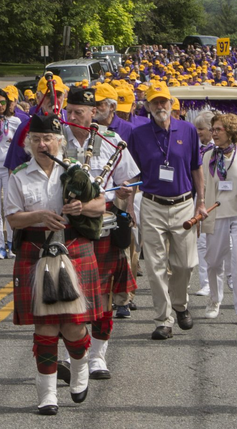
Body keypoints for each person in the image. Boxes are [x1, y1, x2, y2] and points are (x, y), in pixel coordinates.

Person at [5, 113, 105, 414]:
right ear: (28, 143)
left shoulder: (76, 171)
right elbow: (12, 217)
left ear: (59, 142)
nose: (41, 144)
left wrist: (82, 207)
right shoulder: (19, 175)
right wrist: (38, 216)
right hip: (35, 251)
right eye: (35, 139)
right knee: (46, 327)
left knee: (73, 327)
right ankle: (47, 395)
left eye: (47, 138)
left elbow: (100, 204)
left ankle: (80, 369)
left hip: (74, 247)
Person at [59, 86, 139, 379]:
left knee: (103, 296)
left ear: (94, 112)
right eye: (69, 111)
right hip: (66, 227)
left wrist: (127, 193)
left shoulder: (112, 141)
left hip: (102, 227)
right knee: (67, 293)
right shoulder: (57, 140)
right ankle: (71, 354)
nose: (72, 116)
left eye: (78, 111)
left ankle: (98, 357)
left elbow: (127, 180)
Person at [126, 81, 204, 340]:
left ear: (172, 104)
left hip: (183, 205)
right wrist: (129, 204)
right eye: (155, 102)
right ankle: (164, 320)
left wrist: (201, 201)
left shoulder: (188, 130)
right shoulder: (138, 135)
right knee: (156, 266)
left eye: (164, 101)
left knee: (185, 264)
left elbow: (196, 168)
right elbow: (132, 173)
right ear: (147, 106)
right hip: (151, 204)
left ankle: (180, 303)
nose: (160, 106)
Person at [198, 112, 237, 324]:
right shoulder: (208, 156)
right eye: (212, 129)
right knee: (213, 262)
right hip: (216, 213)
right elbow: (203, 186)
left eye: (218, 130)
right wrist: (201, 205)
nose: (213, 133)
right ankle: (214, 300)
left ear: (230, 131)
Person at [0, 90, 21, 259]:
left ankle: (11, 243)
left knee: (10, 206)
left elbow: (20, 145)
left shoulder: (15, 121)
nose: (0, 106)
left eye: (3, 103)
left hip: (9, 168)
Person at [192, 111, 215, 301]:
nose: (198, 132)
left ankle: (228, 278)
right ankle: (205, 282)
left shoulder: (219, 150)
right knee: (201, 241)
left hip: (216, 198)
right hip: (198, 197)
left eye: (201, 129)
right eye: (196, 128)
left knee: (223, 241)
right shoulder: (196, 148)